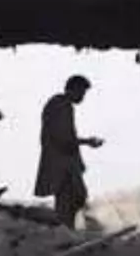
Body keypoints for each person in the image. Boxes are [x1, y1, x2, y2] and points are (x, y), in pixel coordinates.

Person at [33, 75, 102, 228]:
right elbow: (63, 139)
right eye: (81, 93)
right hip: (62, 166)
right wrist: (88, 141)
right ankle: (66, 231)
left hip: (63, 164)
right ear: (73, 89)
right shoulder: (62, 106)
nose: (82, 97)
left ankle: (67, 230)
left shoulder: (60, 104)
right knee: (70, 200)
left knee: (74, 198)